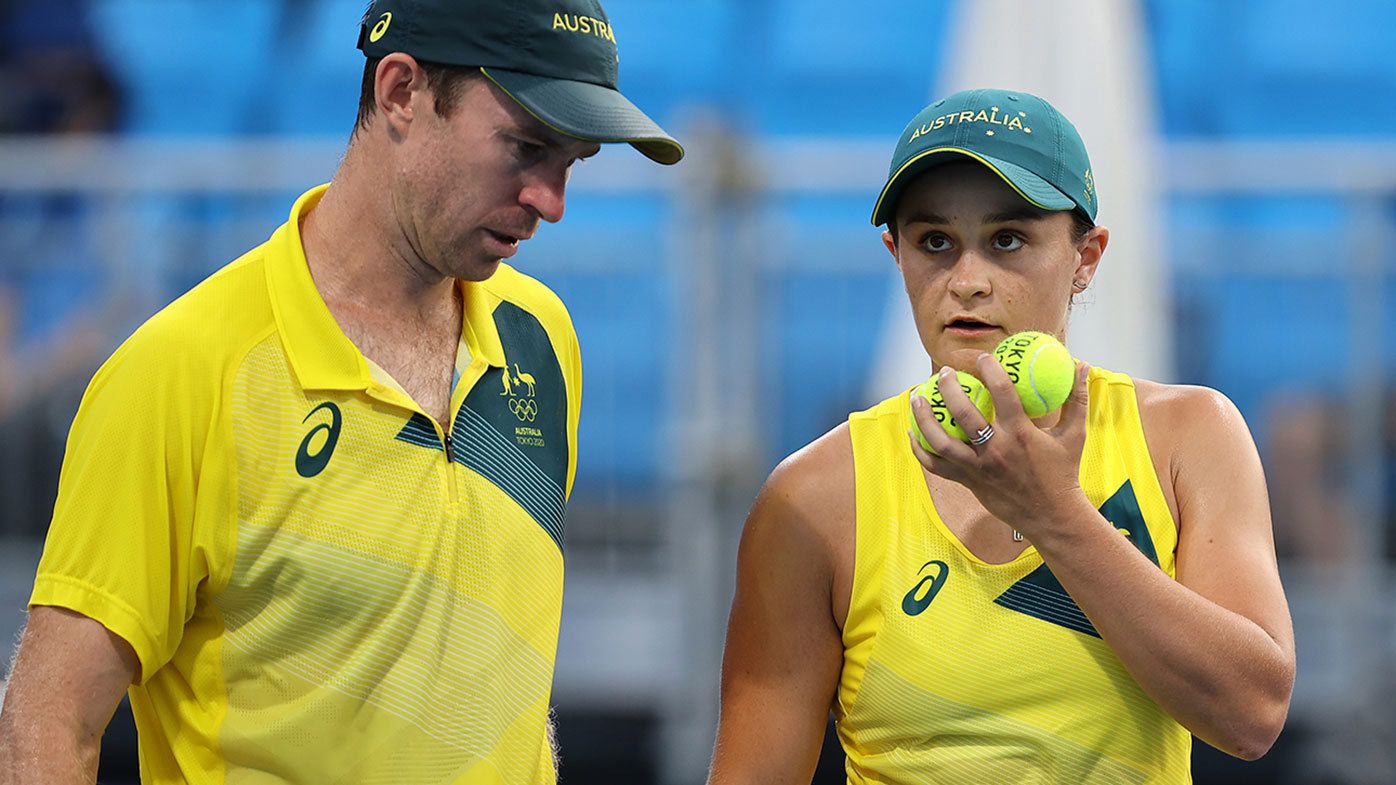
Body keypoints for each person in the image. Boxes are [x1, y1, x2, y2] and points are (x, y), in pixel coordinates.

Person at [0, 0, 681, 783]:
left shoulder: (542, 340)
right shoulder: (184, 371)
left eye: (572, 161)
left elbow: (501, 692)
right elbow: (47, 724)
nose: (551, 201)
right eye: (525, 147)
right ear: (399, 91)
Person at [706, 89, 1294, 784]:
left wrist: (1057, 516)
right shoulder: (814, 497)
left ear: (1087, 256)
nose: (968, 281)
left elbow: (1252, 714)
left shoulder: (1190, 435)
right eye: (935, 243)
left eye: (1007, 240)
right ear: (896, 253)